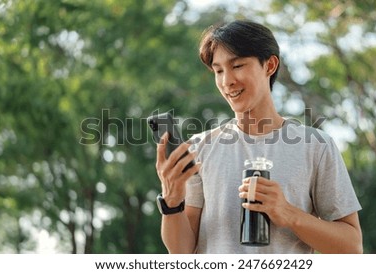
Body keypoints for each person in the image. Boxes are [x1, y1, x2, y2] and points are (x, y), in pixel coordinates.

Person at [154, 20, 363, 254]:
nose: (227, 81)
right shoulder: (199, 149)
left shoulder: (316, 146)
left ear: (270, 65)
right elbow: (182, 252)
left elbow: (352, 246)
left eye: (238, 66)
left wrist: (288, 213)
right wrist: (171, 201)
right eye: (219, 70)